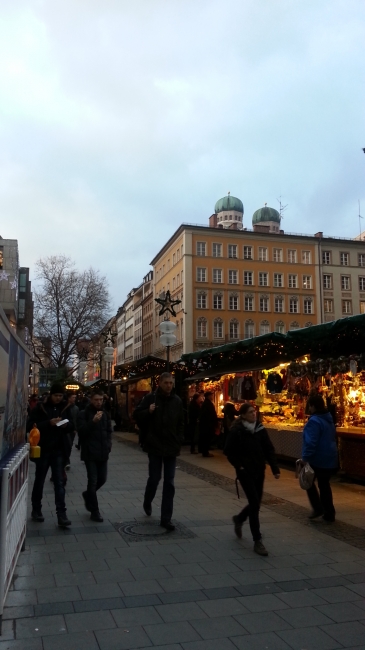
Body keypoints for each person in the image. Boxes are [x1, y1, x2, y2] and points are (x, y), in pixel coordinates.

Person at [224, 402, 280, 556]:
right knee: (255, 504)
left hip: (259, 471)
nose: (253, 414)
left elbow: (269, 448)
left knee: (256, 503)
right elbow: (228, 451)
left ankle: (239, 519)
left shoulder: (259, 429)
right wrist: (239, 466)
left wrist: (275, 468)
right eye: (250, 412)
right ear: (242, 415)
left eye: (254, 412)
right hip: (245, 472)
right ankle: (258, 540)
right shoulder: (237, 431)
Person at [133, 372, 184, 531]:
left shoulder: (177, 401)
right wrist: (148, 411)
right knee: (154, 479)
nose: (169, 386)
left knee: (169, 483)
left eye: (171, 383)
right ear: (160, 383)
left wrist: (179, 438)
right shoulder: (150, 398)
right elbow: (136, 415)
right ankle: (148, 501)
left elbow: (182, 422)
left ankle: (166, 518)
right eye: (166, 383)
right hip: (154, 445)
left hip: (171, 446)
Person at [27, 383, 74, 528]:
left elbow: (73, 426)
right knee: (39, 480)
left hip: (59, 450)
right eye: (56, 395)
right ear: (51, 395)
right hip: (43, 450)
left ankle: (61, 514)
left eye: (60, 396)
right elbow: (30, 425)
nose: (58, 398)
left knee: (59, 483)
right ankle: (36, 509)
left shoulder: (65, 408)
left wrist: (67, 426)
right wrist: (49, 423)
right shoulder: (40, 408)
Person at [302, 393, 338, 522]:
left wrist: (305, 457)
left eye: (310, 406)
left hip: (318, 458)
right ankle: (329, 513)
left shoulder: (314, 421)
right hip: (330, 456)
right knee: (324, 485)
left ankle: (318, 508)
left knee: (308, 481)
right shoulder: (328, 419)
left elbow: (311, 441)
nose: (309, 409)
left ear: (313, 406)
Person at [78, 390, 112, 522]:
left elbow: (109, 431)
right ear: (91, 400)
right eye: (96, 400)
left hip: (103, 452)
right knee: (92, 481)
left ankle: (88, 495)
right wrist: (92, 422)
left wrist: (109, 444)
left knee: (102, 479)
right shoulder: (84, 413)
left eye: (101, 400)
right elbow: (81, 432)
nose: (99, 402)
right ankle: (95, 511)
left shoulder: (105, 414)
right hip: (90, 453)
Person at [198, 391, 218, 457]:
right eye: (211, 395)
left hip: (206, 424)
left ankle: (205, 451)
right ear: (208, 396)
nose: (212, 397)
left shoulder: (206, 403)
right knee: (207, 438)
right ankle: (205, 452)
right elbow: (211, 414)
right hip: (208, 424)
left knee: (206, 438)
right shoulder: (208, 404)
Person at [64, 392, 79, 470]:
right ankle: (66, 461)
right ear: (69, 398)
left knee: (69, 446)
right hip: (65, 429)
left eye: (75, 397)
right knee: (67, 445)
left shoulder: (76, 408)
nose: (74, 399)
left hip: (72, 429)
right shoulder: (65, 407)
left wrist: (75, 428)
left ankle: (66, 459)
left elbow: (76, 419)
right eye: (73, 397)